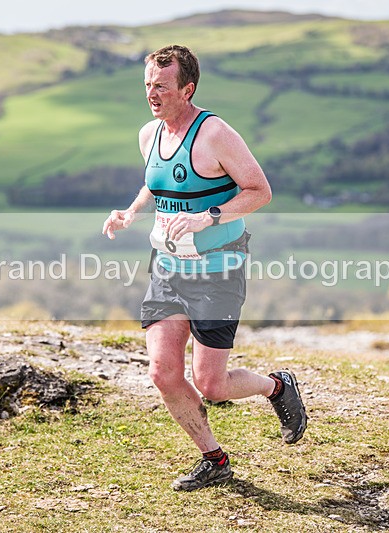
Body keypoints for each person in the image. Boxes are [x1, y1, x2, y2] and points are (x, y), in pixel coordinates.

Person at [102, 44, 307, 492]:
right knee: (162, 372)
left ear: (187, 88)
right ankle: (214, 459)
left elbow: (259, 190)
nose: (152, 95)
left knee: (211, 383)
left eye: (161, 86)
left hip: (219, 269)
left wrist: (208, 216)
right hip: (168, 268)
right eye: (147, 86)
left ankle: (276, 386)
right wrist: (131, 211)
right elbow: (155, 182)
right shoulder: (148, 134)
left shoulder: (214, 134)